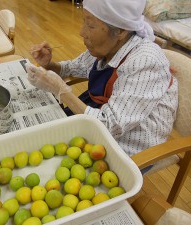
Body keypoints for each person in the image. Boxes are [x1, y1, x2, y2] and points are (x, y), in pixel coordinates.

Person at [25, 0, 178, 166]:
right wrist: (49, 64)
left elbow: (110, 125)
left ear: (120, 30)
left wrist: (61, 90)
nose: (81, 32)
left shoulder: (145, 62)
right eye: (84, 21)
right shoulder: (108, 45)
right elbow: (73, 67)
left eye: (90, 25)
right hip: (100, 116)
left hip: (128, 144)